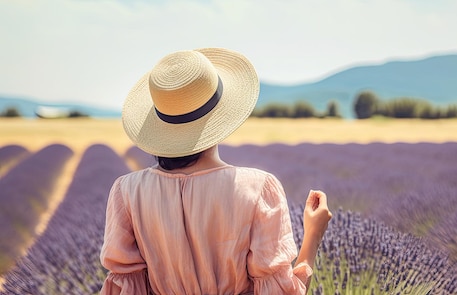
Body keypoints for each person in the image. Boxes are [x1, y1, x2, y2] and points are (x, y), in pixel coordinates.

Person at [99, 48, 332, 294]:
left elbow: (125, 286)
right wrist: (313, 237)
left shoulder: (126, 191)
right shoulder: (258, 188)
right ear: (219, 115)